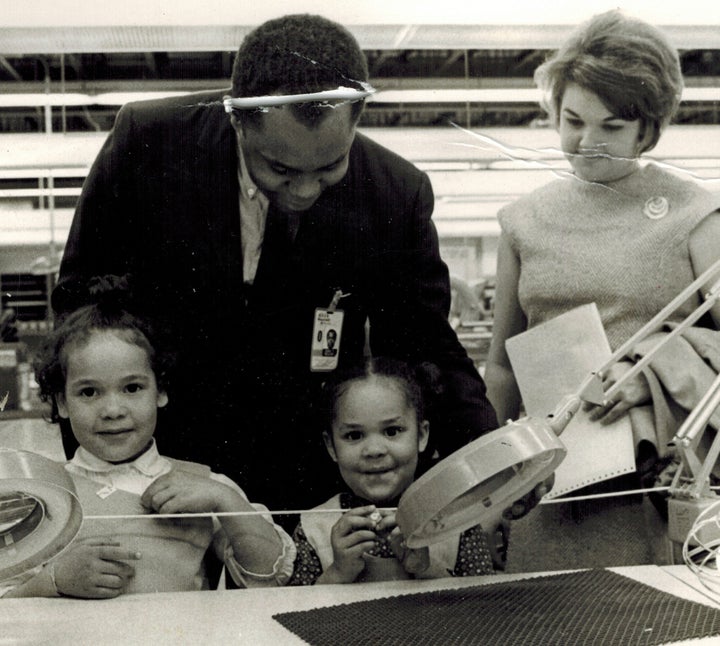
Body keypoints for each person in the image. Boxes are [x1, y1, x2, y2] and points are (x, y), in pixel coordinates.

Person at [52, 13, 498, 517]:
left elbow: (424, 342)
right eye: (280, 169)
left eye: (330, 167)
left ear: (357, 120)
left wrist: (487, 452)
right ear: (238, 120)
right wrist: (101, 451)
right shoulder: (149, 144)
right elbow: (81, 309)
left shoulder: (394, 191)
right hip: (153, 460)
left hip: (303, 466)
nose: (305, 190)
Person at [484, 9, 720, 572]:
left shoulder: (697, 215)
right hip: (552, 483)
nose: (587, 142)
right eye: (573, 120)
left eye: (612, 126)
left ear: (649, 127)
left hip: (661, 485)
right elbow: (502, 368)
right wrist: (490, 481)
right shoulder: (523, 221)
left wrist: (658, 380)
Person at [1, 276, 294, 598]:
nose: (113, 410)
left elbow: (271, 576)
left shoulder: (205, 485)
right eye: (89, 392)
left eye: (132, 388)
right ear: (61, 403)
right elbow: (8, 598)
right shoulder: (44, 495)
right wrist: (55, 580)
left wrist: (227, 502)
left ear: (161, 391)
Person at [288, 357, 497, 585]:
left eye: (392, 431)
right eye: (354, 436)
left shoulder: (459, 522)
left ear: (421, 434)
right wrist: (337, 573)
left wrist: (427, 569)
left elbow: (483, 609)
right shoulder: (312, 529)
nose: (374, 450)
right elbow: (281, 613)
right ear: (331, 446)